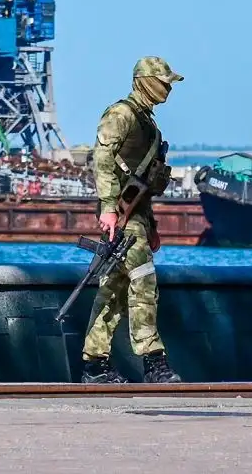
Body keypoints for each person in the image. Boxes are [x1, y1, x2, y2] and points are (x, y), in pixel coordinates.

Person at [80, 56, 182, 384]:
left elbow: (142, 184)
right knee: (143, 280)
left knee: (113, 288)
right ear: (145, 81)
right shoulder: (121, 114)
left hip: (134, 217)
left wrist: (150, 226)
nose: (167, 88)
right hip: (120, 219)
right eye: (163, 82)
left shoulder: (148, 123)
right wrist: (109, 208)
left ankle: (94, 364)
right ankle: (154, 361)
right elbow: (103, 159)